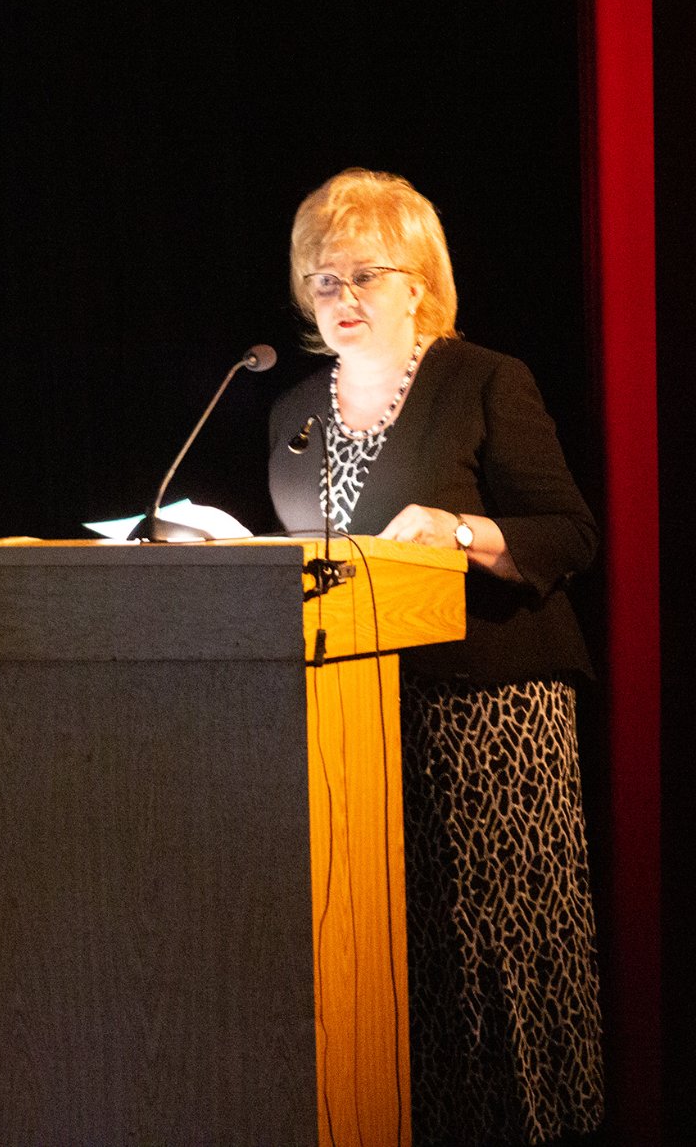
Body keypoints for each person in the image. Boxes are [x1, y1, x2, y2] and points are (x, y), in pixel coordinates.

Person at [267, 169, 604, 1144]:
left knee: (487, 949)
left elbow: (569, 533)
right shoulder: (293, 412)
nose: (340, 298)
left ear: (418, 281)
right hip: (351, 719)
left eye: (363, 276)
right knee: (386, 951)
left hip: (486, 714)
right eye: (322, 281)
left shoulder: (482, 381)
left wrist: (458, 532)